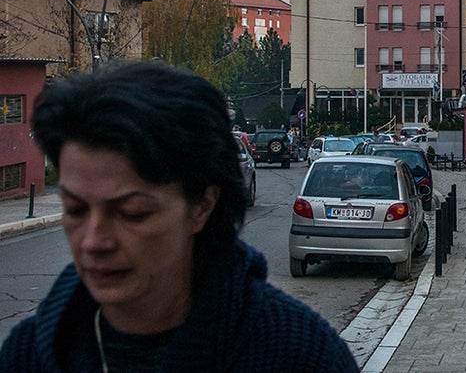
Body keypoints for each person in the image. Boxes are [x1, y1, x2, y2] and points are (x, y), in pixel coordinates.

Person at [0, 61, 359, 372]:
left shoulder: (300, 355)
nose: (93, 241)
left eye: (131, 213)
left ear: (202, 204)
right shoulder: (28, 354)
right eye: (76, 209)